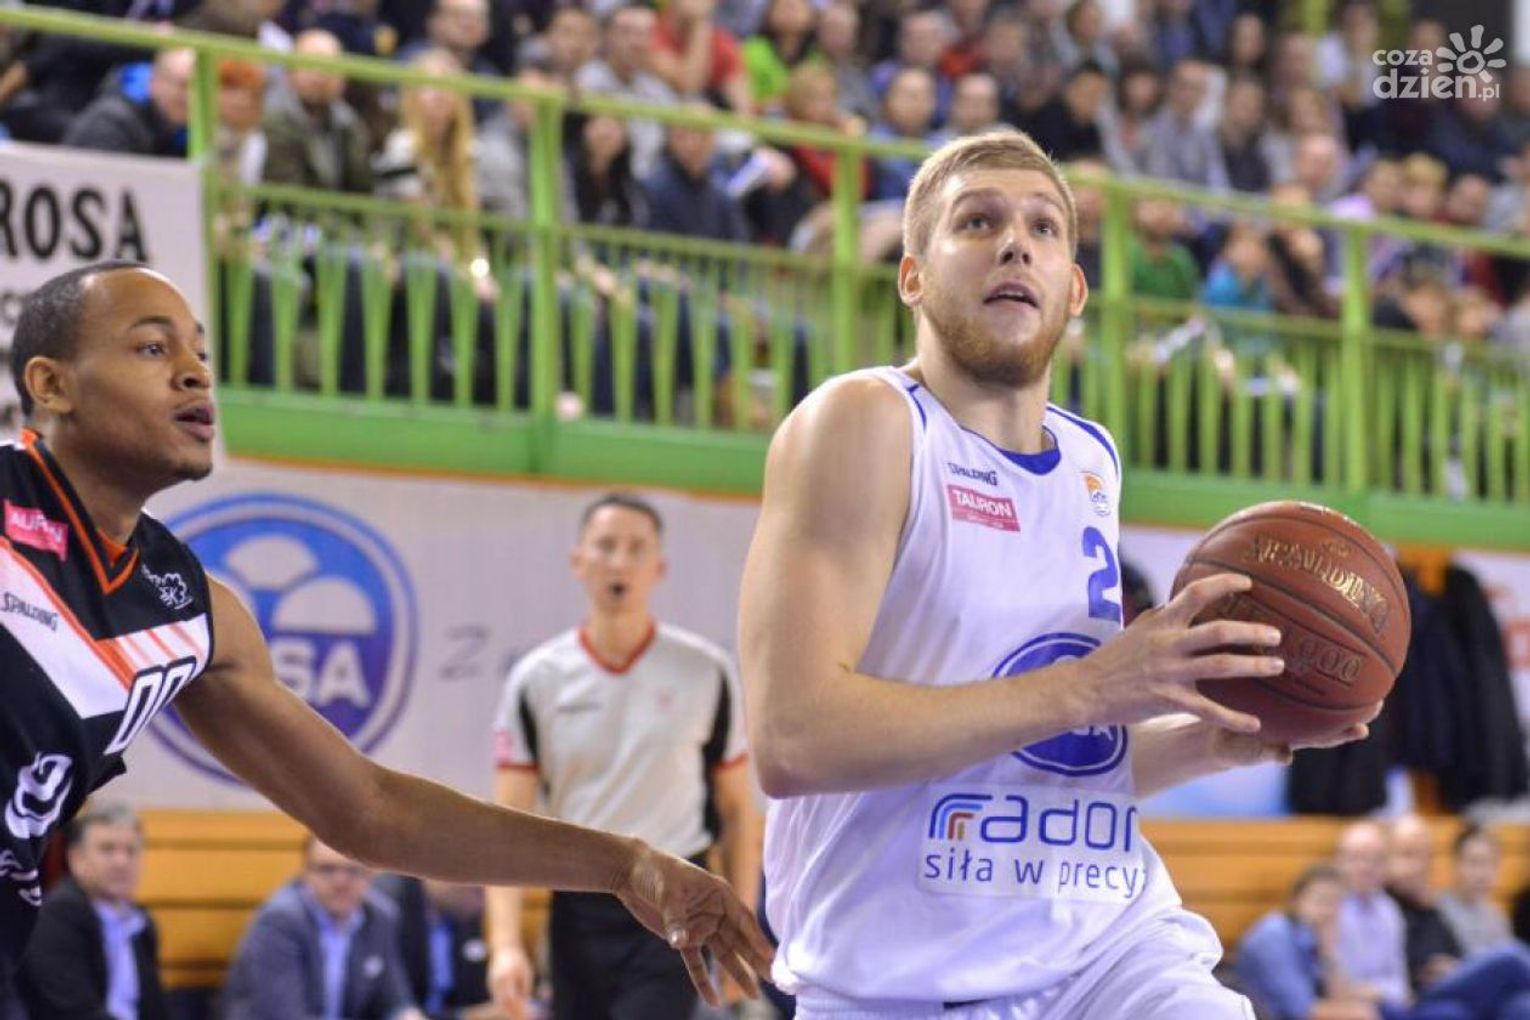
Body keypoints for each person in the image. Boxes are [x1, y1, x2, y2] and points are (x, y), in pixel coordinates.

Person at [0, 262, 773, 1010]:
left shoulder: (195, 614)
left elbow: (371, 811)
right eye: (151, 347)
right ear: (51, 384)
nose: (195, 373)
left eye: (200, 351)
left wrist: (626, 864)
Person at [737, 130, 1370, 1019]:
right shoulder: (865, 421)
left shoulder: (1091, 458)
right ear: (912, 275)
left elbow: (1048, 760)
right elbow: (793, 740)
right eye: (978, 221)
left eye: (1043, 227)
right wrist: (1090, 687)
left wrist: (1206, 744)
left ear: (1072, 288)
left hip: (1110, 948)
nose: (1014, 243)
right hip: (903, 981)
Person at [487, 493, 761, 1019]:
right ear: (578, 562)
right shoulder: (538, 678)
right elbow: (507, 823)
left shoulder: (705, 671)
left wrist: (739, 924)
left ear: (659, 568)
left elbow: (736, 811)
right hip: (578, 901)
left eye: (637, 549)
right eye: (606, 546)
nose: (620, 562)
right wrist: (504, 945)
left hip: (675, 896)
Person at [222, 836, 424, 1020]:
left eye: (353, 871)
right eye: (327, 869)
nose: (340, 882)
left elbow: (395, 1001)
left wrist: (409, 1015)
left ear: (370, 875)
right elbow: (284, 1015)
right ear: (305, 873)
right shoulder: (279, 922)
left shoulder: (380, 918)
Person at [16, 803, 166, 1020]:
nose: (121, 862)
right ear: (77, 859)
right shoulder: (54, 919)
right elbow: (73, 1012)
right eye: (107, 849)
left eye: (131, 851)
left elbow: (155, 1008)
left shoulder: (141, 922)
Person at [1236, 864, 1382, 1020]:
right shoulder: (1274, 936)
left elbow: (1340, 998)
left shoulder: (1313, 935)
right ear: (1297, 900)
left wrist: (1328, 952)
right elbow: (1301, 1011)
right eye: (1321, 900)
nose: (1328, 911)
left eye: (1336, 903)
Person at [371, 874, 501, 1020]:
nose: (483, 903)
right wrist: (467, 1016)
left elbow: (475, 996)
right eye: (478, 891)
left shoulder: (466, 915)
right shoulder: (387, 906)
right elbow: (390, 1006)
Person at [1438, 825, 1525, 958]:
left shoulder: (1497, 918)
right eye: (1474, 863)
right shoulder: (1437, 912)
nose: (1482, 875)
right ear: (1455, 864)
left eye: (1490, 864)